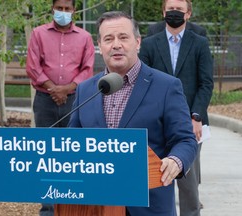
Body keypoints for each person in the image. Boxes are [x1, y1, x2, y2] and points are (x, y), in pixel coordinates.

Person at [68, 11, 198, 216]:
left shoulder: (167, 86)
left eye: (123, 37)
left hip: (148, 205)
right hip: (96, 205)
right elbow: (72, 143)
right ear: (100, 46)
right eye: (108, 39)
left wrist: (176, 160)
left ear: (138, 42)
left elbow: (185, 140)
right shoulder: (85, 90)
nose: (116, 45)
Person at [138, 0, 214, 216]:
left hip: (191, 122)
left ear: (188, 14)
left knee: (188, 183)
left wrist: (196, 116)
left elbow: (206, 83)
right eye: (170, 9)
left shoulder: (199, 43)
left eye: (179, 10)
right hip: (155, 121)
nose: (174, 13)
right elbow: (143, 80)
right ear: (163, 11)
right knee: (155, 176)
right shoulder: (151, 43)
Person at [25, 0, 95, 215]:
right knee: (46, 155)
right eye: (59, 8)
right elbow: (33, 65)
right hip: (45, 101)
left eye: (67, 8)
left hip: (75, 101)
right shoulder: (38, 34)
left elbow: (87, 68)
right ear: (52, 9)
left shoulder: (85, 37)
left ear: (74, 10)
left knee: (73, 154)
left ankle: (73, 206)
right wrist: (53, 88)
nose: (63, 12)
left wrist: (66, 89)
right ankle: (48, 209)